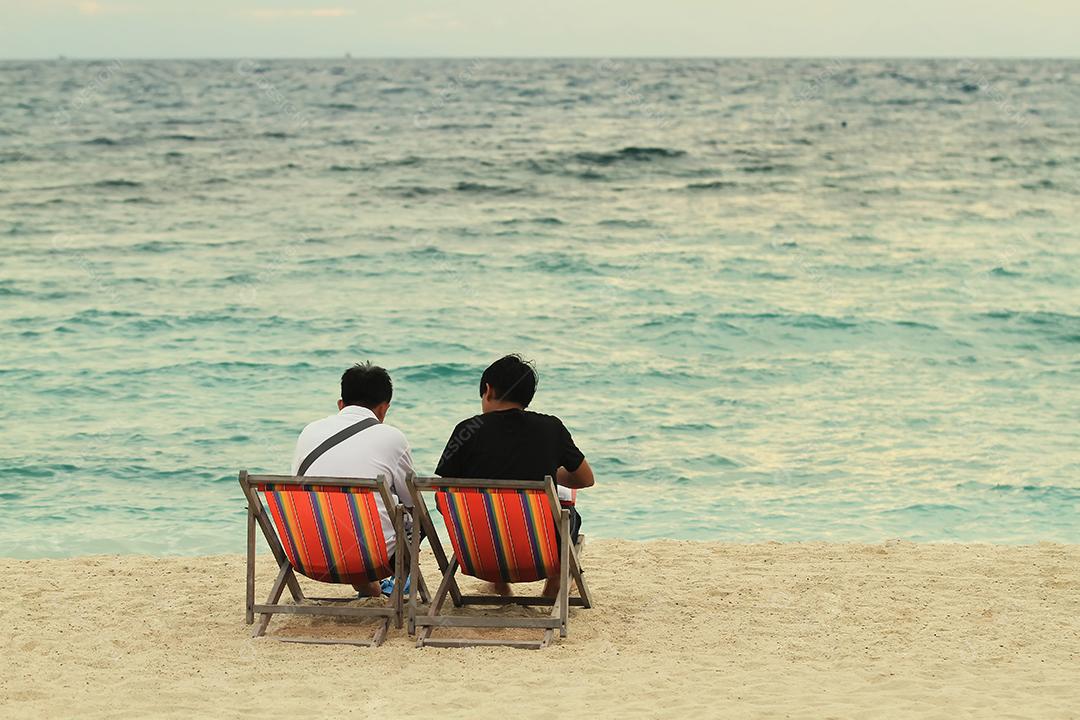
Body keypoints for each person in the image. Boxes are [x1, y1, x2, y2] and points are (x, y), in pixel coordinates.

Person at [435, 354, 594, 597]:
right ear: (527, 396)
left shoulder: (466, 430)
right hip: (540, 557)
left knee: (476, 511)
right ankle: (554, 582)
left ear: (488, 390)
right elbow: (585, 479)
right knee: (569, 514)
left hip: (480, 554)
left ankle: (499, 583)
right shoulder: (551, 428)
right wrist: (549, 473)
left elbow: (442, 498)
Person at [291, 362, 414, 597]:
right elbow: (411, 501)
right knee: (412, 516)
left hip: (306, 552)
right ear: (383, 408)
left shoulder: (309, 431)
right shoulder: (393, 438)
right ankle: (398, 582)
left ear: (341, 404)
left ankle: (368, 588)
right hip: (371, 560)